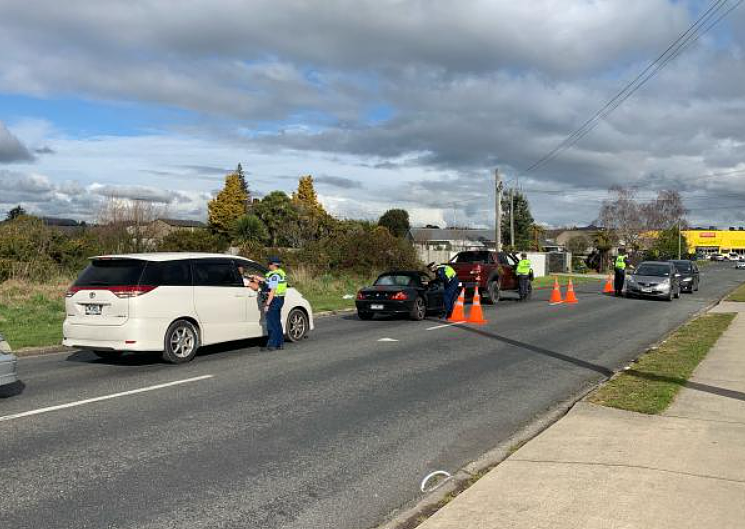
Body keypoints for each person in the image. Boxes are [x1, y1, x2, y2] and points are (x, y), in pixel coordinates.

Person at [251, 257, 288, 351]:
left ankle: (272, 345)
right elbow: (270, 282)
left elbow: (272, 290)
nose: (268, 265)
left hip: (274, 300)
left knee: (271, 323)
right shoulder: (280, 273)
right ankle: (280, 344)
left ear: (273, 265)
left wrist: (267, 305)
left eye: (269, 264)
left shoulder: (274, 275)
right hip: (279, 299)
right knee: (277, 322)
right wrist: (259, 278)